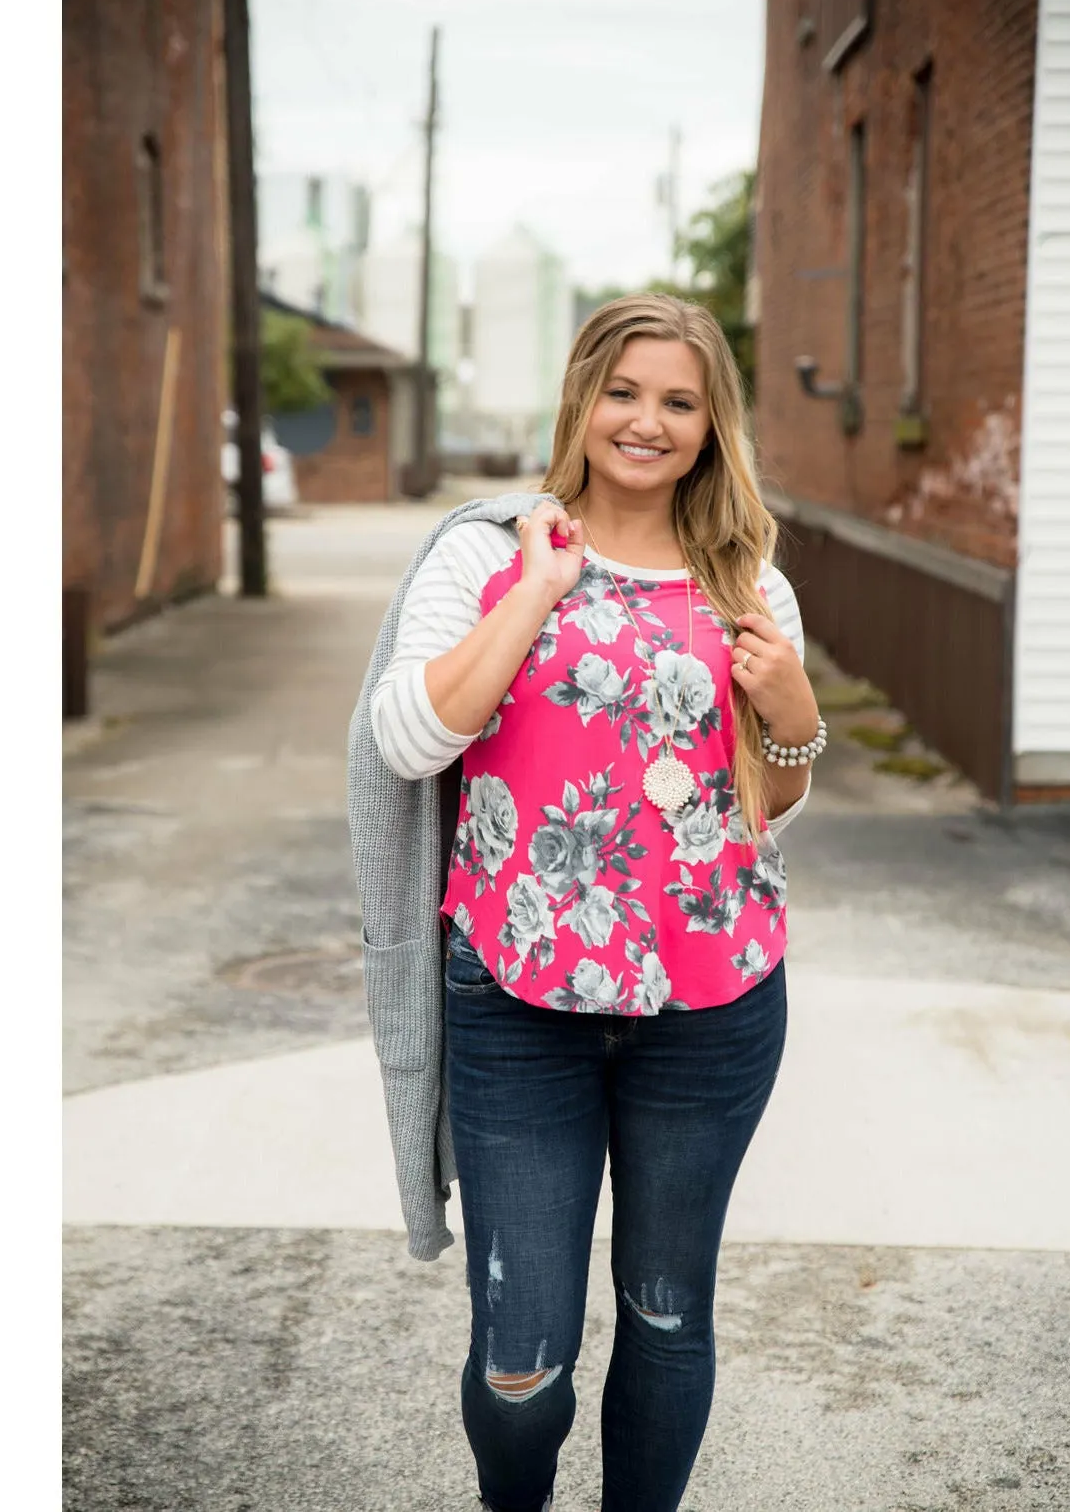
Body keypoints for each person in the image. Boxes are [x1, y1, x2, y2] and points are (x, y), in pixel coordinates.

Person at [347, 293, 827, 1512]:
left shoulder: (747, 576)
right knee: (523, 1360)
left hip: (709, 1011)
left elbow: (758, 815)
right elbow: (403, 738)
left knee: (666, 1317)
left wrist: (794, 720)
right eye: (624, 392)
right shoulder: (484, 549)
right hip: (519, 1001)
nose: (647, 422)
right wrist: (534, 590)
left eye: (678, 400)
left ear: (712, 421)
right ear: (581, 398)